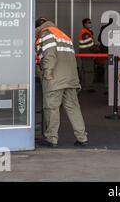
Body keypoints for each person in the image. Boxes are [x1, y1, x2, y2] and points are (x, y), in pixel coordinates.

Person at [35, 17, 88, 147]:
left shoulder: (47, 33)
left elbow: (50, 55)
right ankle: (82, 137)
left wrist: (47, 73)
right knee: (73, 108)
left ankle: (51, 138)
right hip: (71, 78)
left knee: (51, 108)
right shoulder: (63, 35)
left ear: (38, 27)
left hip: (55, 78)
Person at [78, 18, 96, 92]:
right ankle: (88, 87)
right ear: (84, 24)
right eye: (88, 22)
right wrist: (97, 49)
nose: (90, 23)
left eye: (90, 22)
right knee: (89, 70)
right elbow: (91, 46)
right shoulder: (86, 33)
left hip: (84, 54)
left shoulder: (86, 32)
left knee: (85, 70)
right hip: (87, 54)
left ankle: (84, 85)